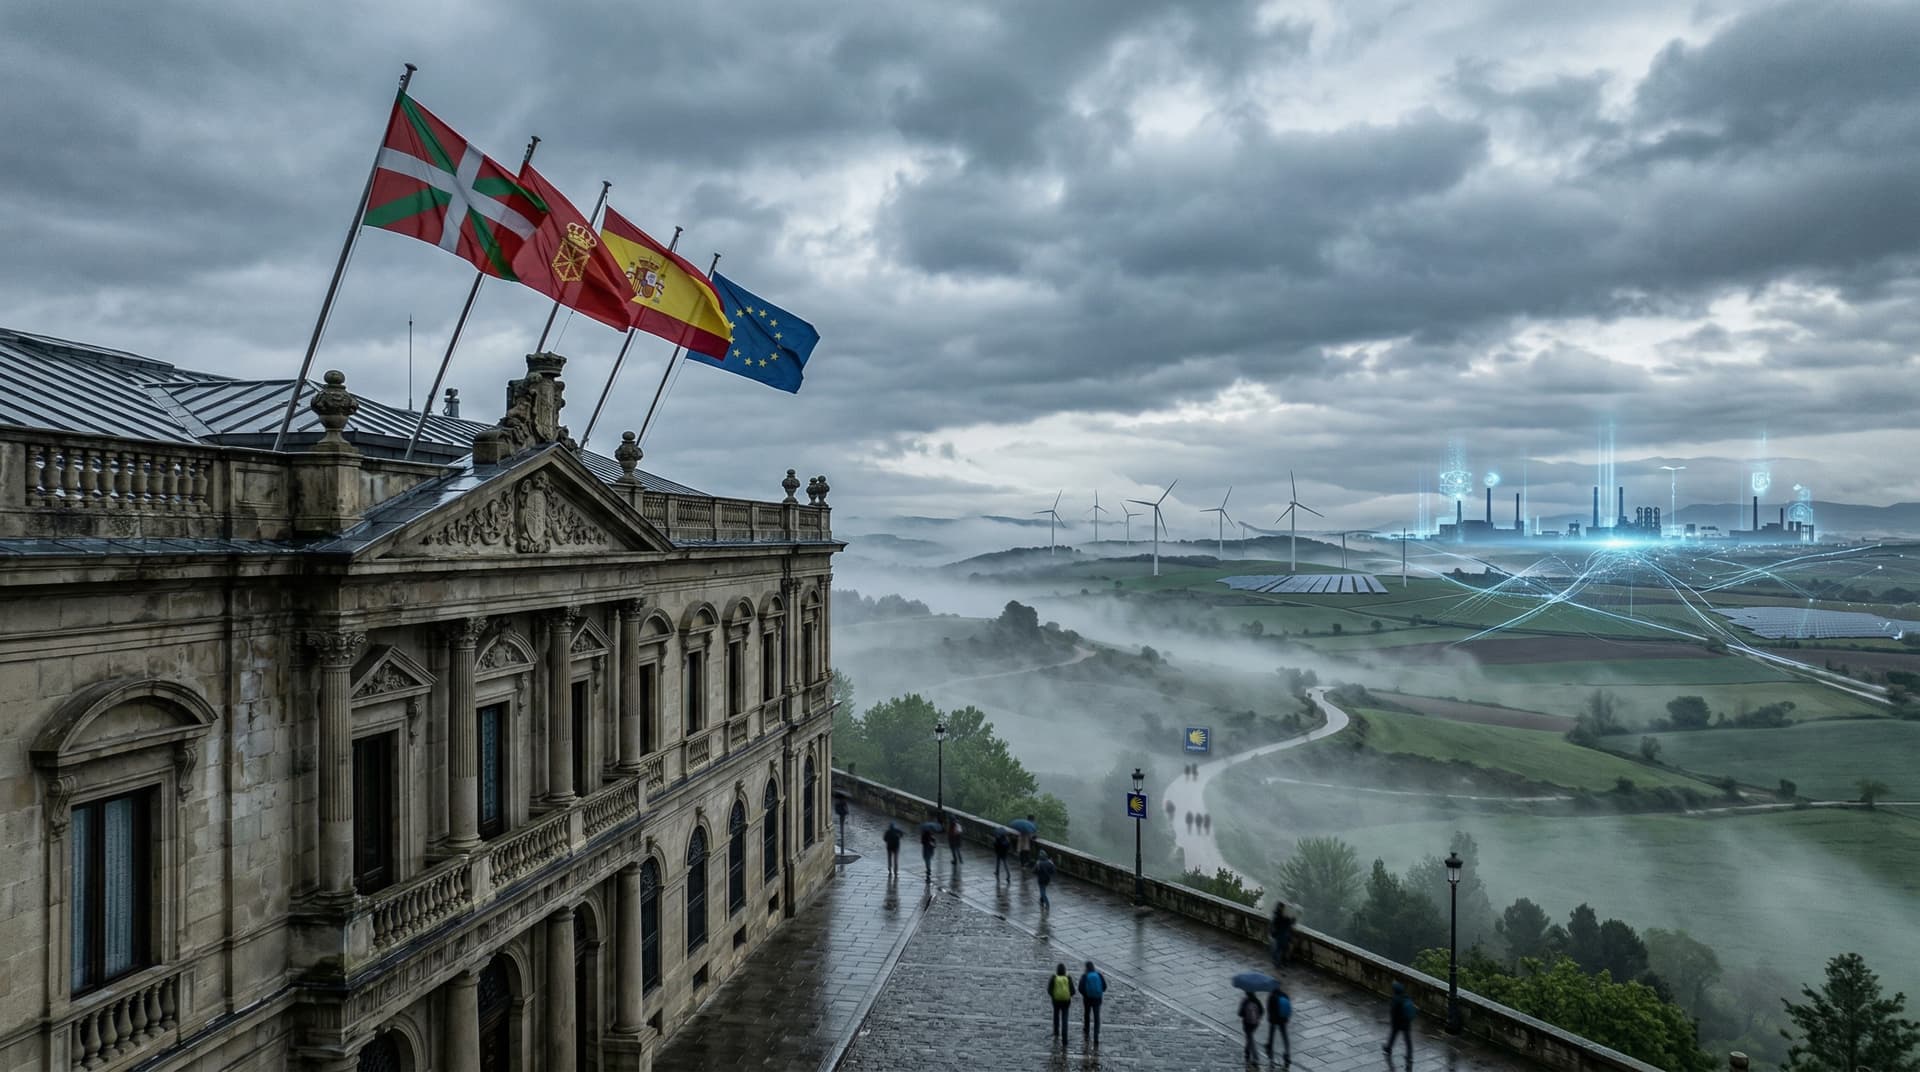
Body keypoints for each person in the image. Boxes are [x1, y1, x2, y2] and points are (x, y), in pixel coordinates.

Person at [1383, 981, 1415, 1069]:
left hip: (1397, 1023)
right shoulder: (1406, 997)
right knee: (1408, 1041)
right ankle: (1409, 1055)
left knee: (1393, 1036)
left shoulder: (1395, 999)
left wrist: (1392, 1021)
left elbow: (1393, 1012)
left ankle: (1388, 1049)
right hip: (1406, 1023)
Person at [1077, 961, 1106, 1046]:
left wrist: (1086, 994)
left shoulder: (1085, 976)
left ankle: (1087, 1030)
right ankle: (1096, 1036)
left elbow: (1080, 988)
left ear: (1086, 968)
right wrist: (1098, 992)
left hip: (1087, 999)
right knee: (1096, 1017)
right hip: (1097, 999)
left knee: (1087, 1014)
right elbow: (1104, 987)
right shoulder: (1099, 975)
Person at [1048, 963, 1074, 1048]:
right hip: (1066, 1001)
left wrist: (1054, 996)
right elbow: (1073, 991)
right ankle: (1064, 1039)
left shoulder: (1054, 977)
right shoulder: (1068, 978)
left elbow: (1049, 990)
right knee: (1065, 1019)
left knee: (1056, 1015)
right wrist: (1068, 996)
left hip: (1056, 1001)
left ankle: (1056, 1032)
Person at [1266, 987, 1292, 1066]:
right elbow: (1288, 1006)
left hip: (1274, 1020)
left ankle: (1270, 1049)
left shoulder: (1271, 997)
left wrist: (1270, 1018)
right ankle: (1287, 1053)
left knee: (1271, 1035)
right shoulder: (1284, 995)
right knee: (1284, 1036)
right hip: (1283, 1019)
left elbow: (1269, 1009)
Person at [1238, 991, 1264, 1065]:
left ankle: (1256, 1058)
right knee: (1249, 1037)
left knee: (1250, 1039)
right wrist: (1257, 1017)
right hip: (1255, 1023)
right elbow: (1262, 1011)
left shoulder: (1245, 1001)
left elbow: (1240, 1013)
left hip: (1247, 1023)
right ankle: (1247, 1051)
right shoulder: (1257, 1000)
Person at [1269, 901, 1296, 969]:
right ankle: (1278, 963)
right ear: (1281, 908)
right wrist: (1292, 920)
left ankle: (1278, 962)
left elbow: (1275, 924)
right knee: (1280, 949)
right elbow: (1288, 922)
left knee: (1278, 949)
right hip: (1281, 935)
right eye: (1283, 907)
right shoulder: (1280, 916)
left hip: (1278, 934)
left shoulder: (1276, 914)